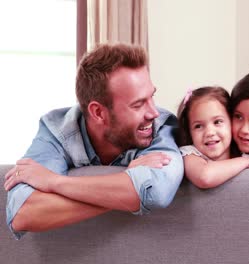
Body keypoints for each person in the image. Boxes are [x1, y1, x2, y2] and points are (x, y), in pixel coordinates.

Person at [4, 43, 184, 239]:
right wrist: (125, 185)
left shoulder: (162, 127)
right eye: (138, 104)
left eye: (152, 97)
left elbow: (155, 192)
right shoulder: (56, 131)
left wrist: (54, 182)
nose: (154, 112)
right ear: (98, 112)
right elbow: (23, 214)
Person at [176, 86, 249, 189]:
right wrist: (246, 162)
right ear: (189, 131)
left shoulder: (246, 158)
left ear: (231, 122)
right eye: (198, 126)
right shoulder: (190, 154)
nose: (209, 132)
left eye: (217, 122)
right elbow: (204, 177)